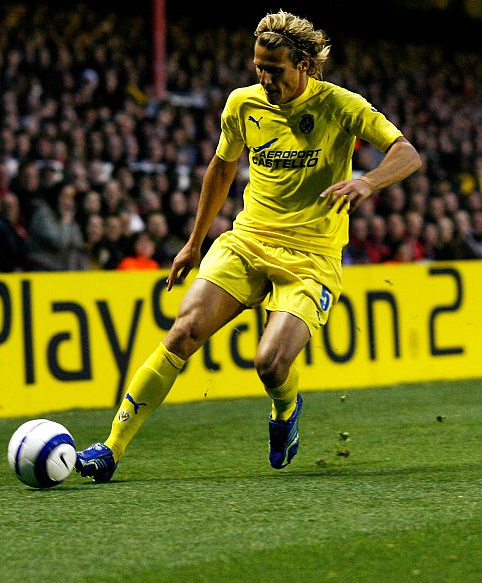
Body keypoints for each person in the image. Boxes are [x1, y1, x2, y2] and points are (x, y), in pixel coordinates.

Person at [74, 10, 421, 482]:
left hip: (311, 259)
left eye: (274, 70)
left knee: (270, 364)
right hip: (247, 241)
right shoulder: (242, 105)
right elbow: (221, 169)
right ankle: (110, 448)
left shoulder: (341, 105)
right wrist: (194, 243)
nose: (264, 78)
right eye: (259, 67)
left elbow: (407, 152)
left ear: (303, 65)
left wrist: (368, 182)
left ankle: (286, 409)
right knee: (183, 333)